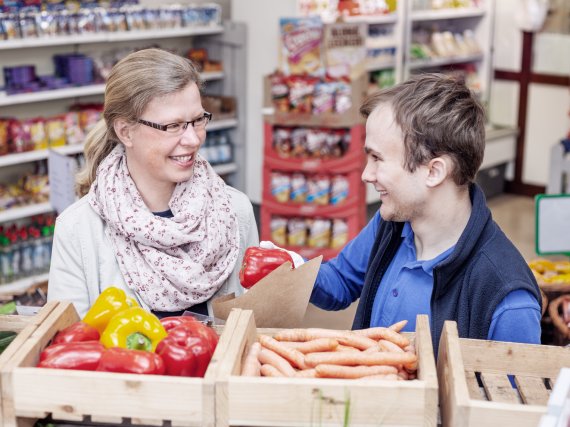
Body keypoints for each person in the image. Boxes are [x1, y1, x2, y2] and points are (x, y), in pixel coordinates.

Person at [308, 73, 542, 352]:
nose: (366, 175)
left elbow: (505, 395)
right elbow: (340, 283)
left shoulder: (506, 299)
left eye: (377, 158)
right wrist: (287, 267)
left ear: (433, 171)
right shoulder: (391, 225)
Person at [48, 48, 258, 319]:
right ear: (125, 131)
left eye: (197, 120)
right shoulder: (78, 229)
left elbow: (253, 322)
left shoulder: (235, 211)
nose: (193, 140)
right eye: (173, 126)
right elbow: (70, 344)